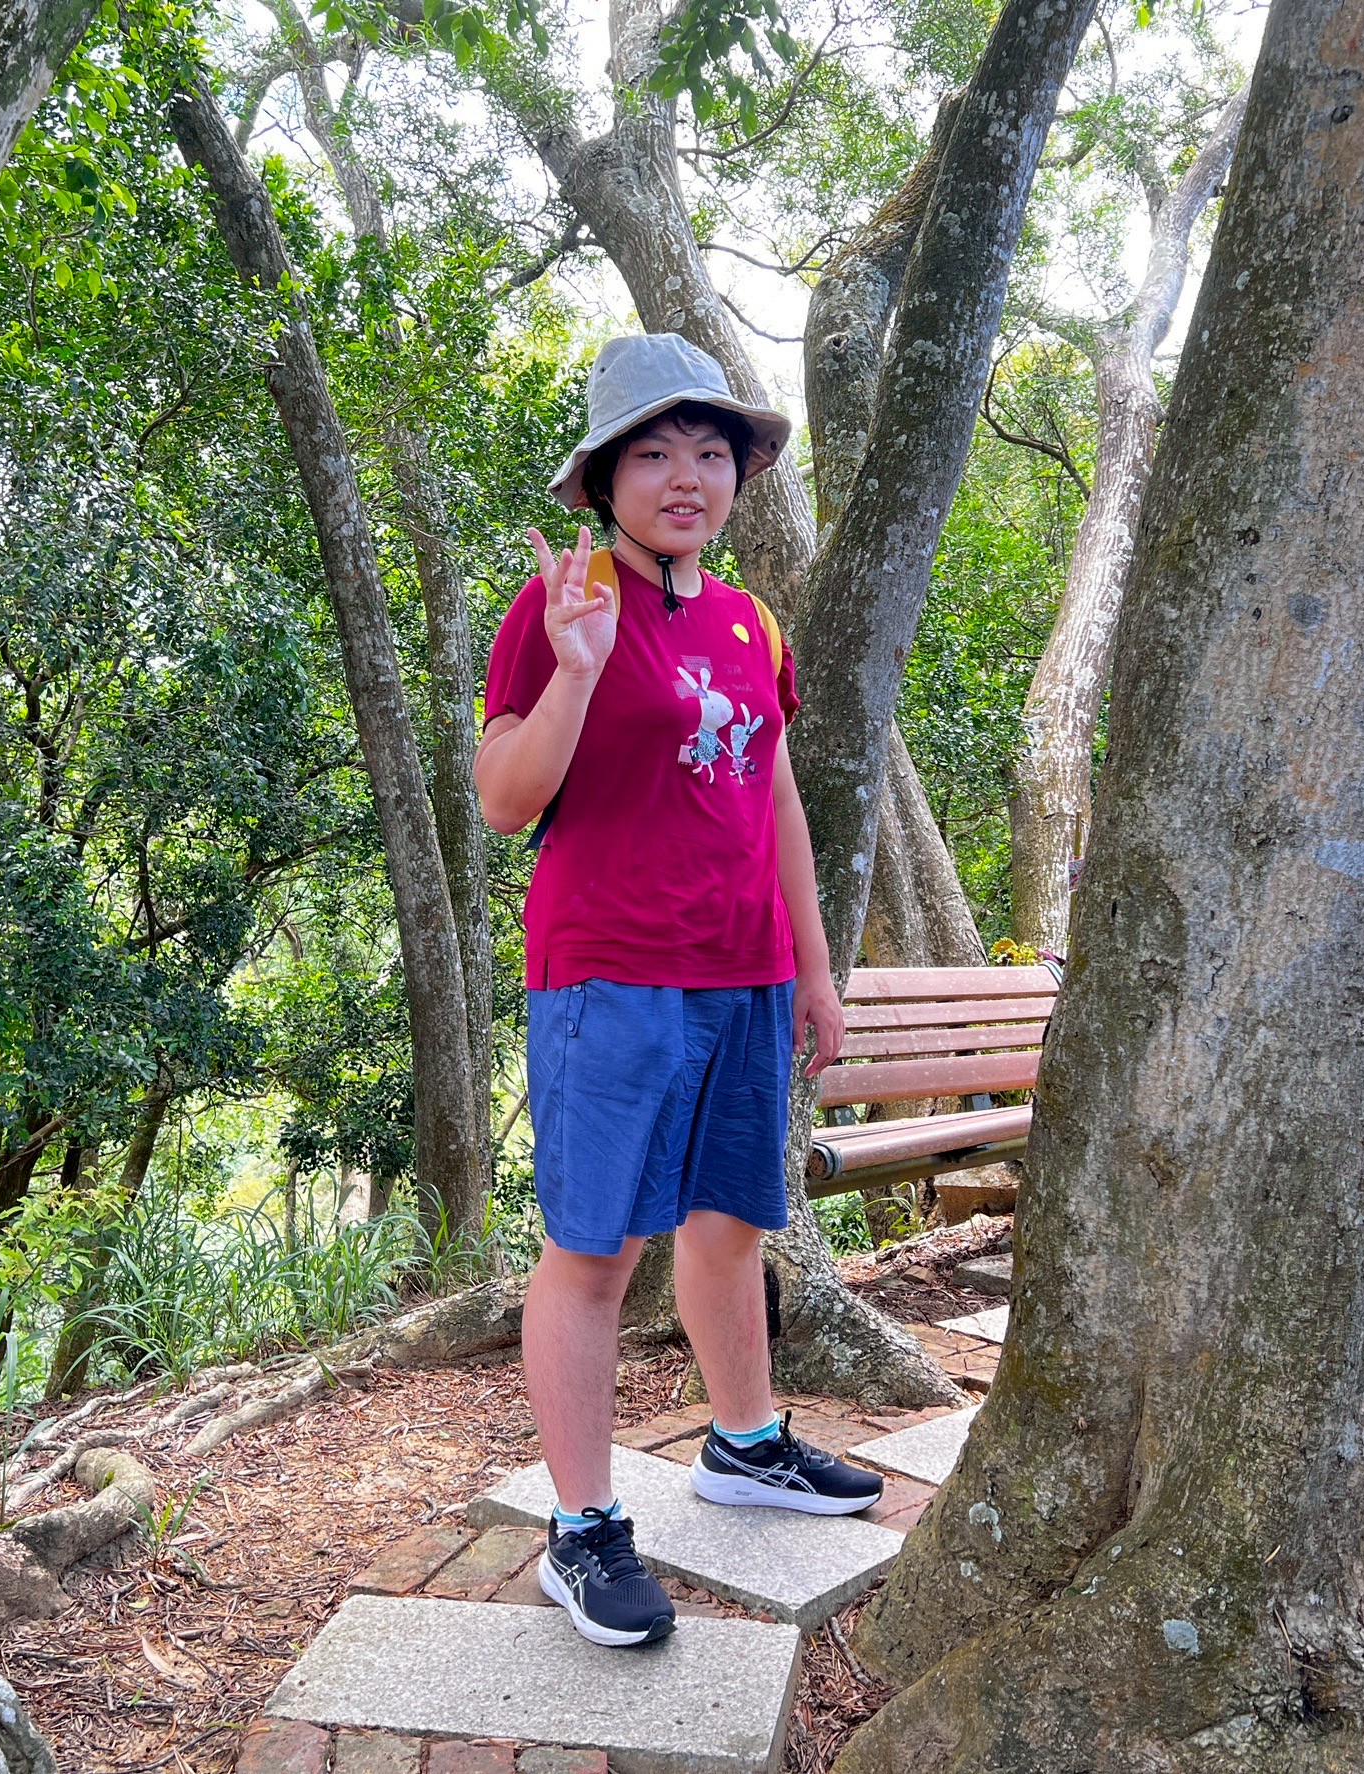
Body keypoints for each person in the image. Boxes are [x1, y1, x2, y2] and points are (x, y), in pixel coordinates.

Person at [475, 333, 883, 1649]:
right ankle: (583, 1525)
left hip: (745, 970)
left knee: (730, 1223)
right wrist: (578, 668)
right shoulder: (558, 605)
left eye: (711, 450)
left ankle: (744, 1443)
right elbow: (503, 799)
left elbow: (775, 796)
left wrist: (813, 967)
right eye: (654, 453)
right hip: (612, 970)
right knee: (596, 1250)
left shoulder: (751, 620)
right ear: (605, 479)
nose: (688, 476)